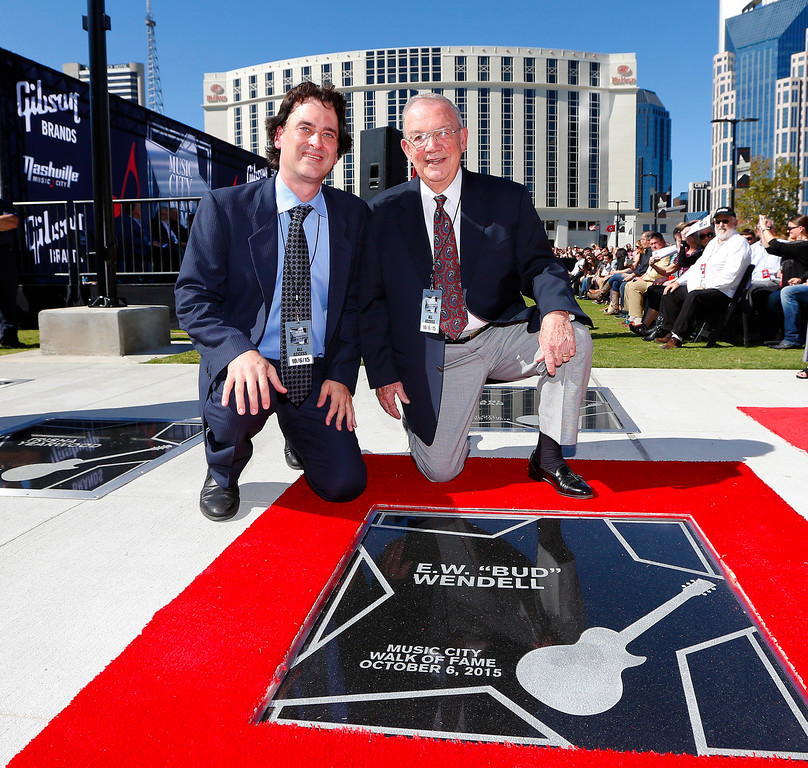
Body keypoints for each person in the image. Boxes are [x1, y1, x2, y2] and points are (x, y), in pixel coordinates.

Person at [360, 93, 594, 499]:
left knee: (576, 339)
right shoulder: (381, 212)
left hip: (498, 332)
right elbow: (371, 301)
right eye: (419, 137)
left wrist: (556, 313)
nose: (431, 146)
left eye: (442, 133)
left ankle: (550, 457)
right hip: (432, 349)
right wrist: (384, 373)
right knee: (441, 472)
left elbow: (540, 264)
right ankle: (425, 419)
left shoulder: (507, 199)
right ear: (406, 148)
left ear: (463, 138)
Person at [175, 82, 367, 521]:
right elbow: (192, 296)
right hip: (252, 359)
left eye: (330, 134)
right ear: (279, 135)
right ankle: (222, 470)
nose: (317, 141)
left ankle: (298, 432)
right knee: (237, 400)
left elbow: (356, 304)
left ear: (338, 151)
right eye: (306, 128)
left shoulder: (354, 216)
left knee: (344, 486)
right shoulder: (225, 208)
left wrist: (341, 376)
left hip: (313, 366)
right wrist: (237, 352)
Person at [655, 207, 751, 349]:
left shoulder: (738, 242)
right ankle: (669, 331)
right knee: (670, 291)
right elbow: (697, 266)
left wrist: (706, 286)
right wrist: (678, 281)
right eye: (718, 221)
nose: (721, 225)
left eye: (725, 221)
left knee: (695, 296)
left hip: (724, 292)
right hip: (705, 288)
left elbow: (732, 275)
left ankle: (678, 337)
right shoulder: (714, 242)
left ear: (735, 223)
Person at [757, 214, 808, 349]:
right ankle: (772, 336)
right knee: (771, 296)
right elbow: (771, 248)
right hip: (793, 286)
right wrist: (762, 230)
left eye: (791, 228)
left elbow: (776, 245)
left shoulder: (804, 245)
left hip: (799, 289)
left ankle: (793, 338)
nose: (788, 231)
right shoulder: (795, 246)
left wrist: (764, 228)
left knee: (787, 292)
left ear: (801, 229)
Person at [0, 197, 21, 348]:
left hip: (3, 254)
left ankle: (8, 338)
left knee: (7, 296)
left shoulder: (3, 203)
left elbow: (12, 222)